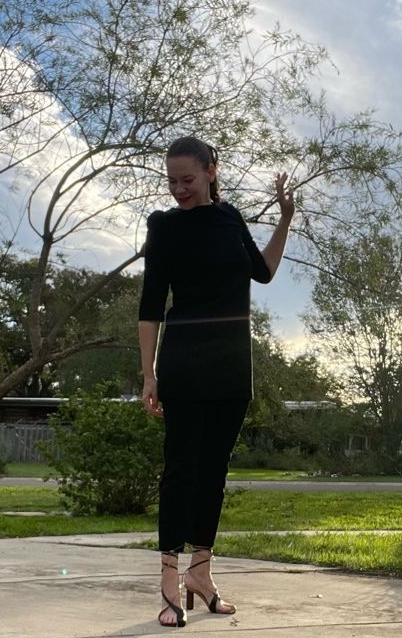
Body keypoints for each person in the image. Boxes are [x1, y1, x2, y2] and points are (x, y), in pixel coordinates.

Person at [138, 136, 295, 627]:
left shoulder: (230, 219)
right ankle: (168, 579)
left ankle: (200, 575)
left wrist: (285, 220)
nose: (180, 190)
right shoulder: (164, 227)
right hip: (182, 363)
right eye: (172, 182)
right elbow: (149, 307)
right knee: (181, 470)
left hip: (231, 365)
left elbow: (263, 272)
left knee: (214, 473)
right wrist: (149, 374)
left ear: (210, 171)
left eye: (188, 179)